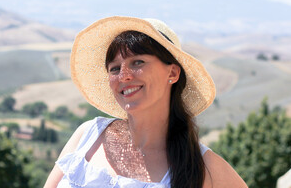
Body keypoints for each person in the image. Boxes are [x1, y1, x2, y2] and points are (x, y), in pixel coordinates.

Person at [44, 16, 247, 188]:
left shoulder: (202, 165)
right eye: (114, 68)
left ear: (173, 72)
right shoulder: (87, 136)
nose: (124, 76)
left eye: (137, 62)